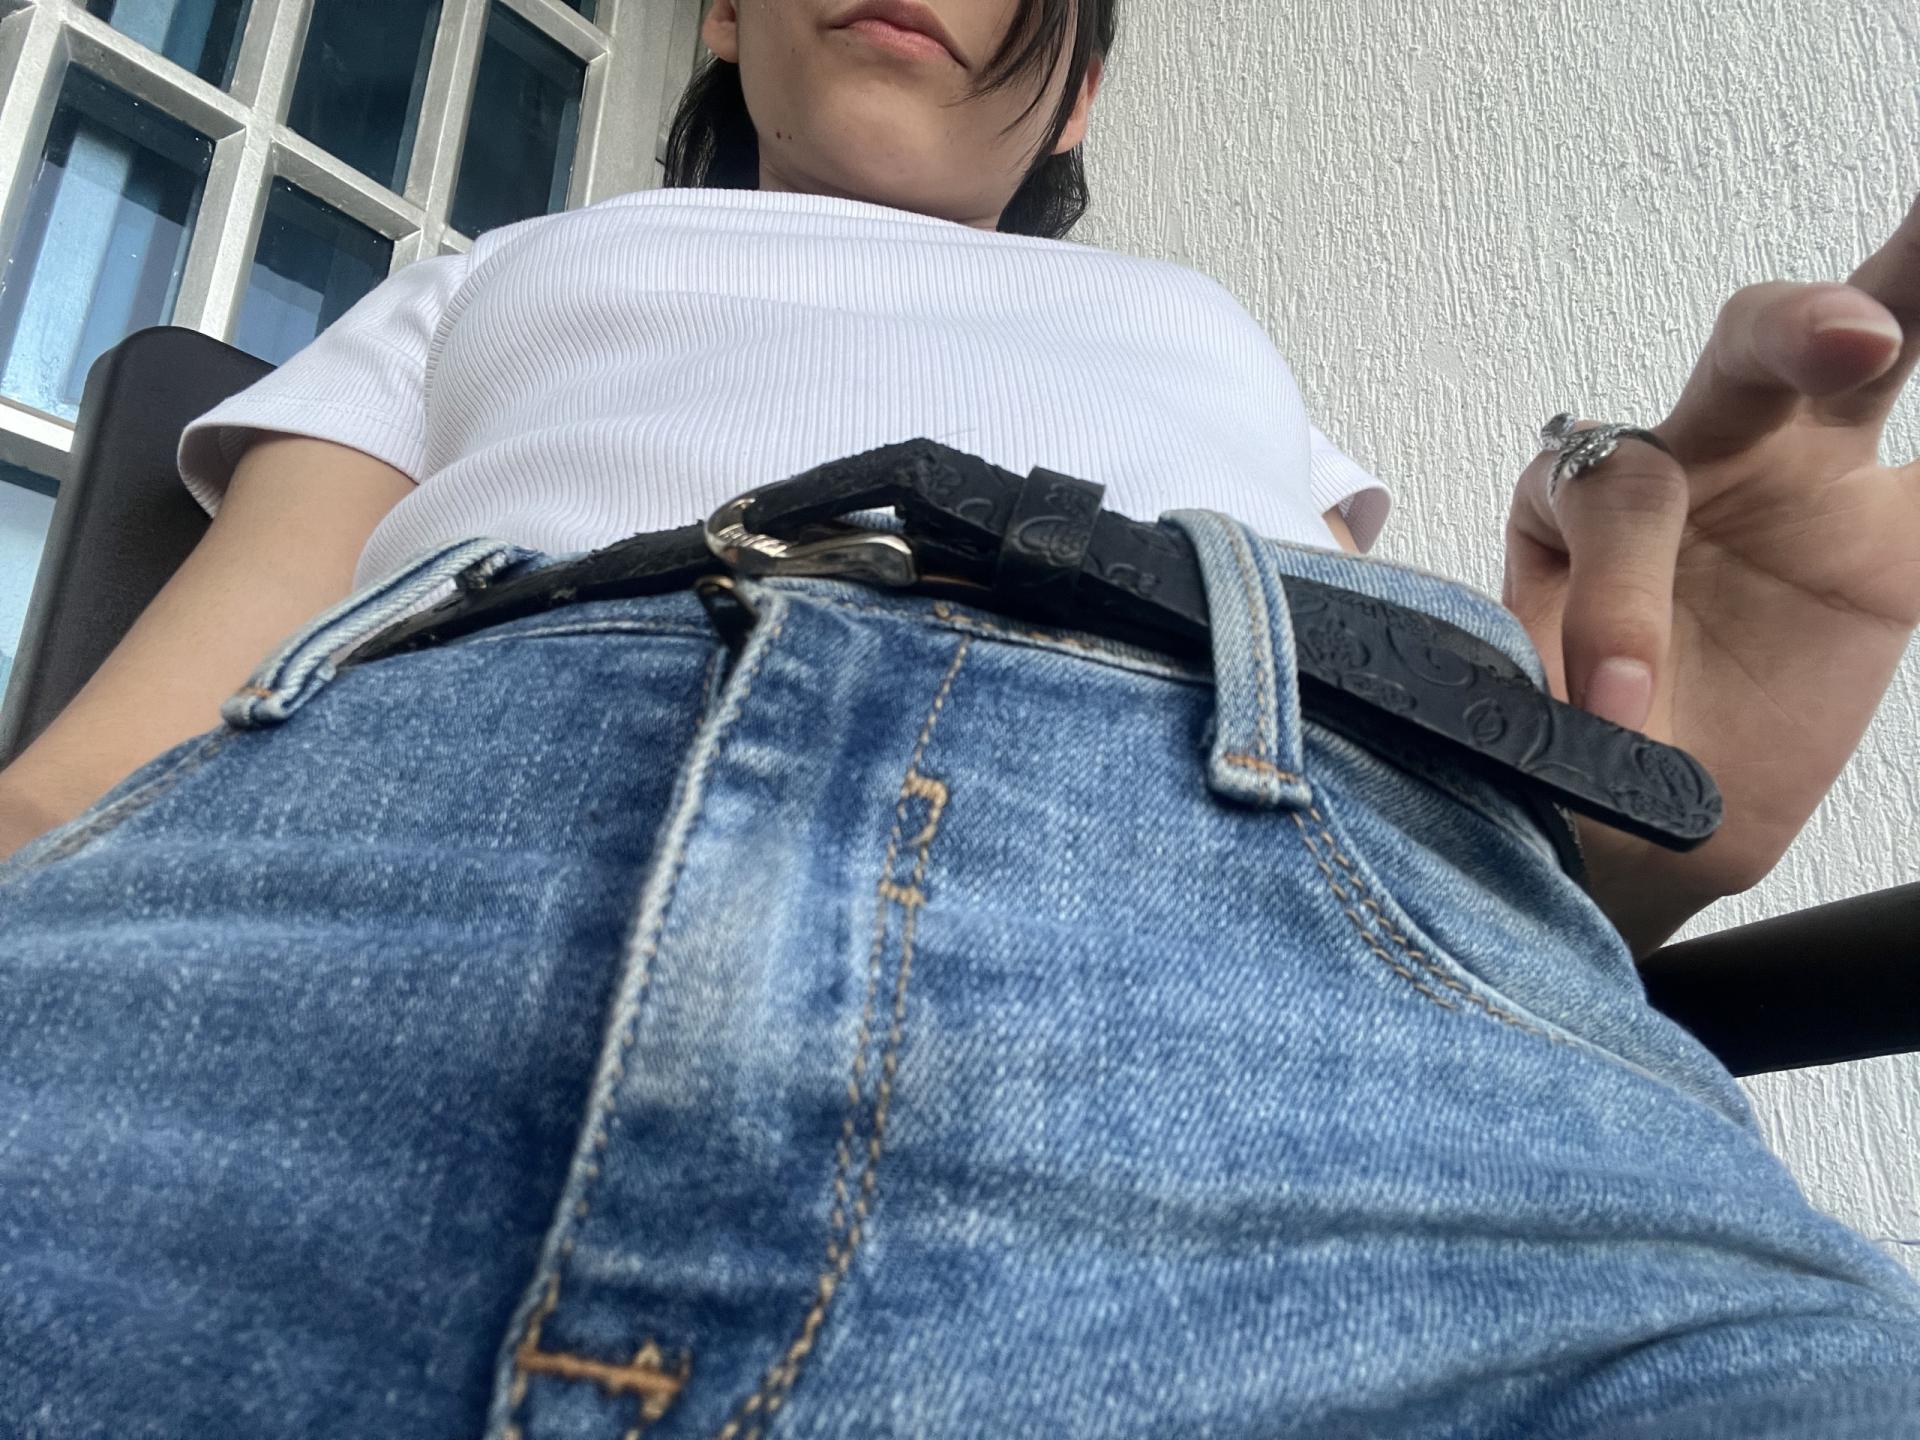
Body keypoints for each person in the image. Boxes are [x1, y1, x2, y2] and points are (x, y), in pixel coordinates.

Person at [2, 1, 1918, 1435]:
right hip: (385, 890)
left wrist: (1638, 819)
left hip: (1246, 977)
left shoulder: (1207, 332)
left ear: (1074, 93)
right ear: (726, 15)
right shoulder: (485, 278)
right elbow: (94, 788)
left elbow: (1397, 876)